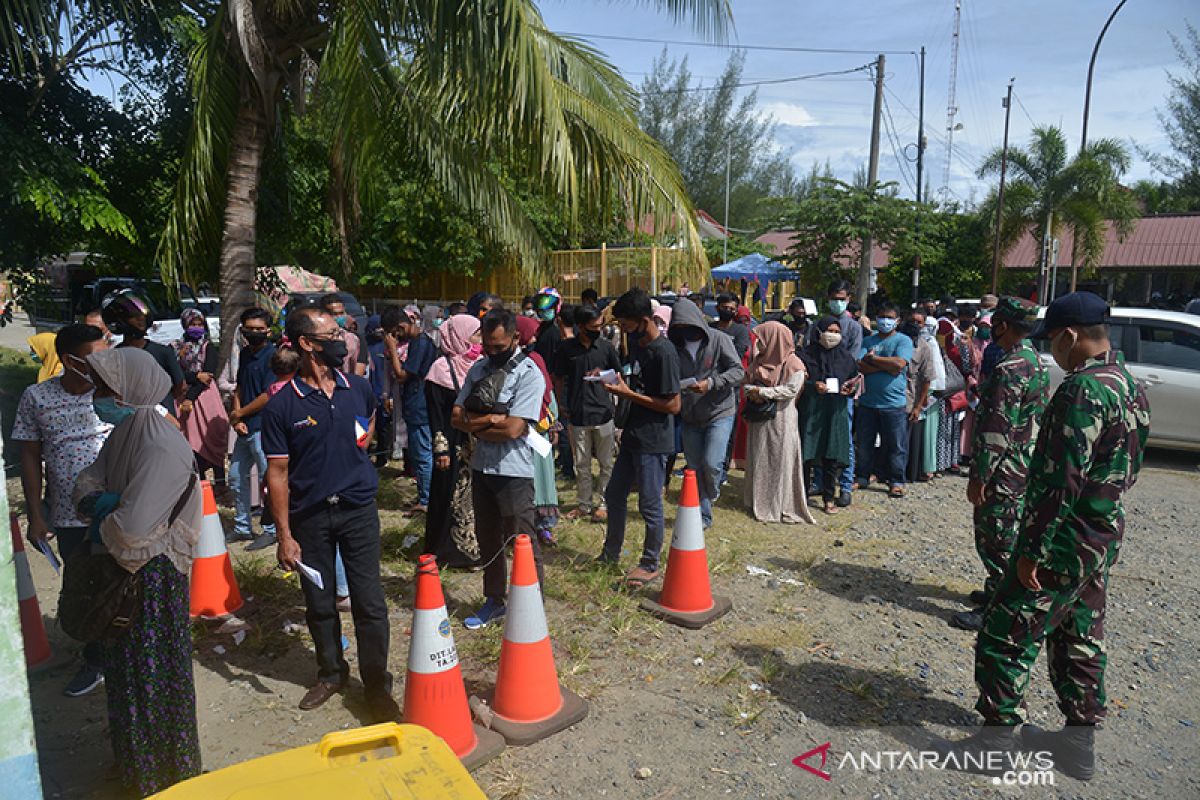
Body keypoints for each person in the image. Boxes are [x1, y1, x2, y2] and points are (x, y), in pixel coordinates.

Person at [938, 292, 1151, 781]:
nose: (1051, 351)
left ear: (1071, 337)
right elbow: (1130, 468)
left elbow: (1060, 482)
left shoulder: (1083, 391)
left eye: (1054, 341)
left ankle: (994, 746)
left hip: (1062, 541)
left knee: (1004, 633)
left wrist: (1030, 553)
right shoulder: (1128, 384)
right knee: (1080, 635)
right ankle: (1078, 746)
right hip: (1100, 536)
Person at [73, 347, 203, 796]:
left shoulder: (163, 445)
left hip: (152, 577)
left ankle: (163, 774)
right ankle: (133, 762)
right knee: (125, 675)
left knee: (153, 678)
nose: (99, 396)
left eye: (107, 388)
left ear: (132, 389)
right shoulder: (125, 432)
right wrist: (98, 502)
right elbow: (86, 480)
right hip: (126, 572)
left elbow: (133, 531)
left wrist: (103, 510)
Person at [262, 308, 399, 721]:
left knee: (370, 603)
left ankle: (377, 687)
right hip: (311, 517)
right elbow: (278, 473)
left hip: (358, 511)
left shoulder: (358, 387)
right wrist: (284, 534)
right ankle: (331, 673)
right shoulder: (281, 405)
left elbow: (368, 423)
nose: (342, 339)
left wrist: (356, 445)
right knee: (319, 602)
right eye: (332, 333)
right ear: (307, 343)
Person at [13, 324, 112, 696]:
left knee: (121, 582)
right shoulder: (37, 397)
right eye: (97, 355)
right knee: (84, 587)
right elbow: (29, 455)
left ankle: (124, 654)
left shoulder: (114, 392)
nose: (105, 362)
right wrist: (37, 515)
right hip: (70, 517)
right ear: (70, 361)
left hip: (118, 511)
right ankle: (96, 659)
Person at [951, 299, 1050, 631]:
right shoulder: (1033, 360)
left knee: (996, 538)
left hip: (1003, 470)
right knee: (1007, 532)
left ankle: (1001, 611)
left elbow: (997, 429)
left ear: (1003, 326)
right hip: (1022, 465)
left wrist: (979, 476)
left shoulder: (1010, 368)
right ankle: (998, 591)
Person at [452, 308, 547, 629]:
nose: (491, 353)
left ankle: (532, 606)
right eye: (487, 346)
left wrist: (475, 425)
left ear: (515, 338)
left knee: (522, 542)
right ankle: (494, 600)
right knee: (488, 539)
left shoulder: (530, 374)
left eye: (498, 346)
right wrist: (492, 420)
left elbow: (514, 429)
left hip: (514, 473)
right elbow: (455, 417)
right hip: (482, 468)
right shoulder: (478, 369)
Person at [598, 288, 681, 588]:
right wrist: (615, 382)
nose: (621, 329)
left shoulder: (664, 353)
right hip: (633, 434)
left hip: (654, 439)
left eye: (625, 323)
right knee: (614, 494)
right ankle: (611, 552)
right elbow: (637, 383)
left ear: (644, 319)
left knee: (649, 503)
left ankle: (649, 563)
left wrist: (629, 394)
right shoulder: (637, 344)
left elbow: (673, 404)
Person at [667, 296, 744, 529]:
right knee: (694, 467)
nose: (684, 331)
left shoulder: (719, 340)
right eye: (678, 327)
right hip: (690, 414)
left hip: (719, 411)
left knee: (711, 464)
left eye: (687, 326)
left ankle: (712, 491)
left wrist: (711, 383)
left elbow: (738, 371)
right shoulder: (674, 348)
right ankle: (703, 516)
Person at [424, 314, 484, 567]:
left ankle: (478, 550)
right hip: (453, 443)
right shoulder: (440, 369)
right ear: (459, 336)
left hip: (480, 441)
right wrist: (441, 450)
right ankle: (447, 552)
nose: (480, 339)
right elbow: (436, 415)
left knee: (478, 496)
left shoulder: (482, 365)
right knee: (450, 494)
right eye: (476, 334)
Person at [742, 321, 814, 524]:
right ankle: (757, 499)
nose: (760, 344)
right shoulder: (759, 360)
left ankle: (778, 503)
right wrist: (752, 392)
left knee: (779, 459)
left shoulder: (793, 364)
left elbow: (791, 390)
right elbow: (747, 380)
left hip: (781, 418)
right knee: (759, 457)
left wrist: (763, 392)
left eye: (763, 339)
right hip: (759, 416)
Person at [555, 304, 621, 523]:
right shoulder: (566, 349)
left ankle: (604, 503)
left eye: (600, 325)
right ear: (581, 326)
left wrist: (603, 374)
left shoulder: (605, 348)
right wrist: (559, 404)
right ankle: (584, 504)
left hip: (603, 413)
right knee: (581, 464)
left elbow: (617, 376)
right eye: (593, 326)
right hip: (578, 414)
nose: (598, 330)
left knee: (606, 463)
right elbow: (559, 379)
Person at [806, 280, 863, 507]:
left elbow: (852, 362)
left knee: (843, 439)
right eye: (835, 298)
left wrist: (846, 385)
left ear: (848, 299)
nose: (838, 302)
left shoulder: (854, 328)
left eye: (842, 299)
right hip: (820, 393)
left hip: (841, 393)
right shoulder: (816, 325)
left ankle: (845, 485)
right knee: (819, 437)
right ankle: (819, 482)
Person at [800, 318, 859, 514]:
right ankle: (802, 495)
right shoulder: (805, 355)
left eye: (836, 331)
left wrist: (848, 389)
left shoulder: (846, 358)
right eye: (829, 330)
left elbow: (854, 381)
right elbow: (797, 381)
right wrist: (812, 386)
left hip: (835, 411)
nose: (832, 334)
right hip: (811, 410)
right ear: (819, 332)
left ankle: (828, 497)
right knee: (806, 454)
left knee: (831, 456)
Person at [229, 308, 277, 549]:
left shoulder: (273, 356)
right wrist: (236, 418)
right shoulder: (246, 354)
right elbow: (238, 387)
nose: (255, 333)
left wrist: (241, 413)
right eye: (250, 329)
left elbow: (269, 394)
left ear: (269, 330)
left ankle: (271, 529)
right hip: (244, 429)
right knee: (236, 478)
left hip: (263, 427)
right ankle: (242, 527)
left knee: (268, 480)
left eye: (260, 329)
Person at [382, 305, 437, 514]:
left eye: (393, 333)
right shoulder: (418, 342)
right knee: (421, 452)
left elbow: (401, 375)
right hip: (417, 403)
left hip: (419, 405)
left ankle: (426, 500)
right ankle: (426, 494)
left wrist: (393, 349)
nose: (393, 337)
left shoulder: (421, 344)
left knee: (423, 454)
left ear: (400, 327)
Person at [855, 304, 913, 498]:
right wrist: (886, 365)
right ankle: (862, 476)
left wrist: (874, 359)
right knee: (864, 444)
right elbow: (861, 366)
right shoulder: (868, 340)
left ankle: (896, 481)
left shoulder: (903, 341)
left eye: (889, 317)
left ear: (897, 321)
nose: (884, 321)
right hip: (867, 403)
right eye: (881, 316)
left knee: (896, 446)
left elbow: (900, 364)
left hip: (894, 405)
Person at [102, 289, 185, 415]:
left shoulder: (163, 352)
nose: (140, 319)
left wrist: (161, 400)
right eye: (133, 316)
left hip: (162, 420)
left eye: (142, 315)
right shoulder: (114, 355)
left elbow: (180, 386)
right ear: (119, 321)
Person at [174, 309, 229, 495]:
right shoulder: (176, 347)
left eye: (199, 324)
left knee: (213, 435)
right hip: (184, 397)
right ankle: (200, 483)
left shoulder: (208, 347)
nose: (196, 328)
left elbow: (208, 376)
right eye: (192, 324)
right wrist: (195, 375)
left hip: (204, 398)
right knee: (190, 439)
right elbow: (175, 373)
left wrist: (190, 395)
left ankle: (220, 482)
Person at [516, 315, 560, 545]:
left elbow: (548, 393)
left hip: (539, 430)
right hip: (517, 429)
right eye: (530, 333)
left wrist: (553, 423)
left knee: (543, 478)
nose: (534, 338)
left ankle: (544, 526)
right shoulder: (510, 362)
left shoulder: (536, 359)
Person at [901, 311, 937, 484]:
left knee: (905, 441)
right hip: (888, 399)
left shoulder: (925, 347)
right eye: (912, 321)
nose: (915, 325)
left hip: (909, 400)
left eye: (919, 322)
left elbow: (927, 379)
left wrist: (918, 406)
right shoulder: (894, 342)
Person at [320, 293, 367, 376]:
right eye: (334, 314)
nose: (339, 317)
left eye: (341, 313)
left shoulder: (355, 339)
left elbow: (358, 372)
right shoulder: (317, 339)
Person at [711, 293, 751, 360]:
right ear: (717, 308)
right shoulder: (709, 328)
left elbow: (738, 354)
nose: (728, 310)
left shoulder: (741, 331)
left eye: (731, 309)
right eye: (724, 307)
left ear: (736, 312)